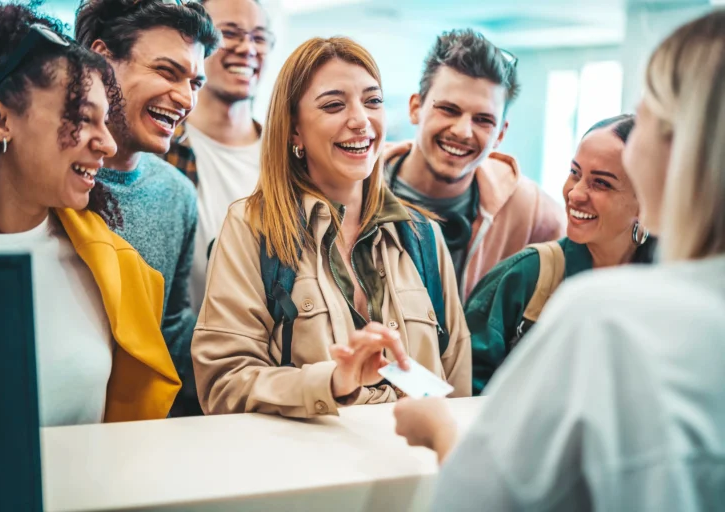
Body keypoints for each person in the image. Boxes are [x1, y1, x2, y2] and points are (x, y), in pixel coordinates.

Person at [394, 10, 725, 511]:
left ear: (679, 147)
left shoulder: (602, 315)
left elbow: (479, 495)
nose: (578, 193)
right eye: (575, 174)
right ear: (416, 107)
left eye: (648, 115)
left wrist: (440, 427)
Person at [192, 37, 472, 417]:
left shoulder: (423, 236)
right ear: (294, 132)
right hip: (308, 472)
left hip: (411, 469)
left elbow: (457, 395)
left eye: (372, 101)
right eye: (334, 105)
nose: (361, 120)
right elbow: (223, 385)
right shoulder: (252, 228)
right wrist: (332, 383)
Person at [0, 2, 180, 426]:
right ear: (0, 119)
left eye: (106, 121)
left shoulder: (114, 268)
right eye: (82, 118)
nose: (107, 144)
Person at [75, 0, 218, 417]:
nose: (185, 98)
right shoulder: (46, 183)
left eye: (195, 82)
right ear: (102, 60)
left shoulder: (175, 192)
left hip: (139, 438)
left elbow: (170, 328)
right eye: (167, 71)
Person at [468, 114, 656, 394]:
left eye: (601, 183)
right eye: (575, 173)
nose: (575, 194)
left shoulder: (675, 288)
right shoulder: (524, 277)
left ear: (647, 201)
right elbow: (463, 392)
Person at [384, 29, 565, 304]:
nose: (463, 131)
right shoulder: (354, 183)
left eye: (483, 119)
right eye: (449, 109)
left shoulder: (531, 212)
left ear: (500, 134)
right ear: (415, 108)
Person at [164, 0, 274, 313]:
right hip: (176, 353)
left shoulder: (290, 159)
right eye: (231, 33)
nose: (247, 48)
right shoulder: (162, 148)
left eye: (260, 37)